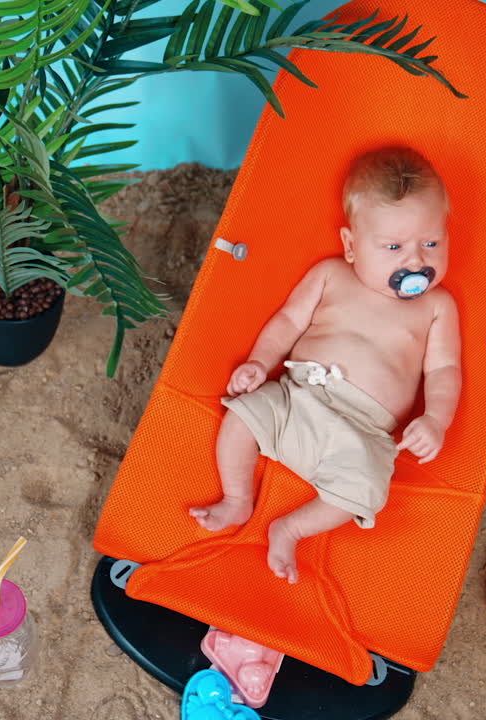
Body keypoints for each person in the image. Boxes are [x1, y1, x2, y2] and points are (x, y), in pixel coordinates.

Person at [189, 146, 462, 584]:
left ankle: (291, 528)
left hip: (364, 431)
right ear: (352, 246)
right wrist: (260, 363)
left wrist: (436, 419)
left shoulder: (437, 307)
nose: (415, 262)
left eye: (431, 243)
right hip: (299, 396)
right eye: (393, 247)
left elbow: (444, 370)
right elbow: (289, 321)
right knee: (240, 417)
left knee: (368, 489)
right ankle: (238, 498)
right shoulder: (331, 275)